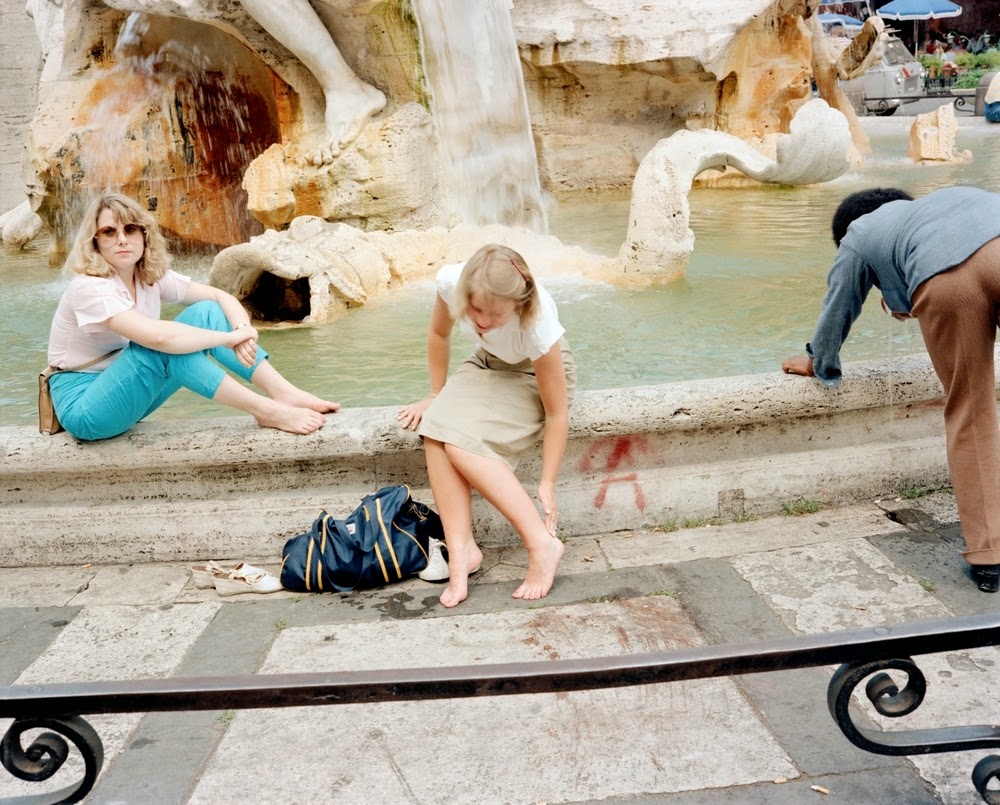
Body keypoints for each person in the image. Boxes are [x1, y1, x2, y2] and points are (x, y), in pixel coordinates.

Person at [782, 186, 1000, 594]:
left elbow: (840, 302)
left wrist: (819, 360)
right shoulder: (941, 203)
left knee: (971, 412)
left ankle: (990, 556)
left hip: (948, 281)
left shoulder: (859, 232)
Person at [47, 193, 339, 441]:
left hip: (127, 391)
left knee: (206, 312)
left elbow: (220, 297)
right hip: (85, 409)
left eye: (131, 229)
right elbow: (159, 338)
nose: (122, 239)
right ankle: (266, 410)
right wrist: (226, 339)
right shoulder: (90, 287)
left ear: (144, 235)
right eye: (109, 232)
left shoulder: (147, 275)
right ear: (95, 241)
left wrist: (242, 329)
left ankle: (283, 392)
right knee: (163, 348)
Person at [397, 244, 575, 608]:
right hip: (487, 362)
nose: (481, 320)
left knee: (459, 442)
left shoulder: (538, 321)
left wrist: (547, 482)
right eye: (475, 309)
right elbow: (439, 335)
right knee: (434, 425)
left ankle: (542, 544)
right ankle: (462, 550)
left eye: (495, 314)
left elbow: (557, 413)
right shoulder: (452, 282)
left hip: (532, 374)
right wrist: (436, 394)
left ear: (518, 304)